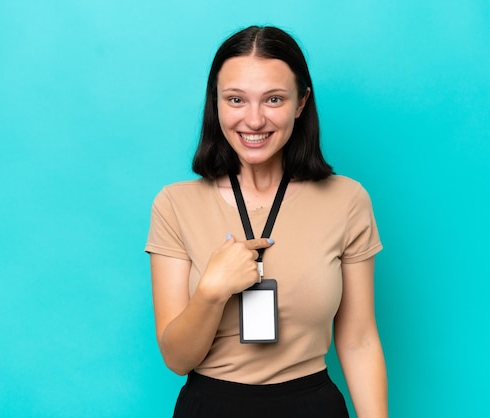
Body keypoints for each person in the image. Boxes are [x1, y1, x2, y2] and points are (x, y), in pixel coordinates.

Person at [146, 25, 387, 418]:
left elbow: (359, 340)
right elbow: (177, 359)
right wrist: (211, 292)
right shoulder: (175, 204)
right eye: (236, 99)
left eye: (273, 99)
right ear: (216, 103)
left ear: (301, 102)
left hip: (313, 406)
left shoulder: (347, 200)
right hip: (209, 407)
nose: (254, 120)